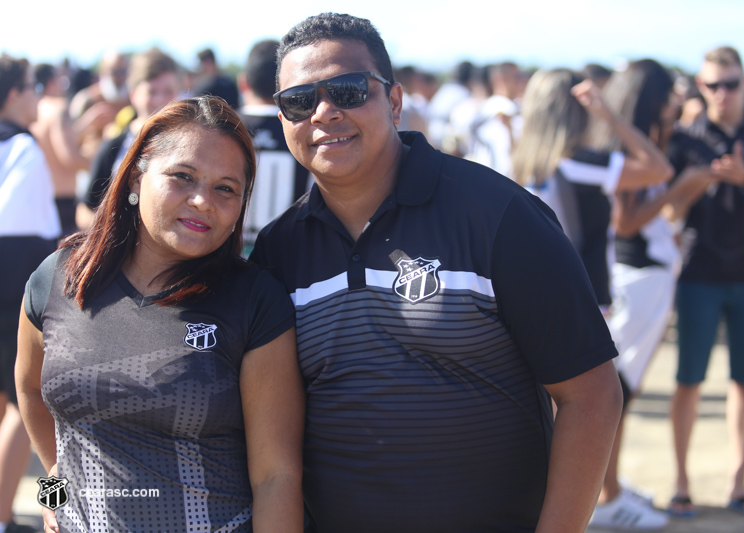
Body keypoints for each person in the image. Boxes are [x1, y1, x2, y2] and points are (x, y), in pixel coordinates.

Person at [250, 12, 622, 532]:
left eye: (349, 90)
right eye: (300, 100)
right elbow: (275, 454)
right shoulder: (279, 249)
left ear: (395, 101)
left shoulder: (499, 215)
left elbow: (591, 395)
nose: (324, 112)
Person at [16, 96, 304, 532]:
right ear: (136, 176)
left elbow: (276, 476)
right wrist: (52, 494)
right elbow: (33, 396)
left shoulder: (253, 300)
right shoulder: (58, 278)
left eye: (226, 188)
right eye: (183, 177)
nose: (203, 200)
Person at [588, 59, 715, 531]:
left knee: (622, 390)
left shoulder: (637, 140)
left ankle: (611, 488)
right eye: (670, 93)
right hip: (634, 278)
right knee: (617, 391)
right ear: (652, 98)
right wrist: (679, 188)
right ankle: (608, 495)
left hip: (644, 275)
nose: (677, 101)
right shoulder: (628, 143)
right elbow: (626, 222)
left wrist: (679, 198)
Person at [667, 46, 744, 520]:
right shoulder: (686, 138)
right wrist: (698, 180)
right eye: (713, 85)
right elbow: (672, 212)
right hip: (700, 274)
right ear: (701, 87)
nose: (723, 94)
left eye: (732, 83)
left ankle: (739, 483)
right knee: (688, 382)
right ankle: (681, 484)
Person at [512, 68, 673, 310]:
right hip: (583, 297)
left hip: (532, 294)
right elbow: (660, 170)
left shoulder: (519, 166)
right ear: (578, 111)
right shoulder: (578, 164)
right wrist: (611, 116)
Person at [0, 54, 61, 533]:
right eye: (31, 86)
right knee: (30, 408)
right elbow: (29, 238)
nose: (38, 95)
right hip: (12, 296)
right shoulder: (22, 147)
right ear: (15, 94)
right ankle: (9, 516)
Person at [77, 47, 181, 229]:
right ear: (134, 94)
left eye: (168, 91)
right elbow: (86, 211)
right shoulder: (114, 147)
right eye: (151, 92)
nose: (160, 100)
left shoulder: (190, 146)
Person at [237, 40, 310, 251]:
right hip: (286, 255)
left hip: (226, 258)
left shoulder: (221, 128)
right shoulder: (305, 132)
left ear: (243, 83)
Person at [30, 63, 91, 236]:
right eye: (61, 80)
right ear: (51, 83)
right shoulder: (58, 108)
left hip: (41, 200)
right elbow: (69, 157)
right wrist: (104, 165)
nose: (65, 84)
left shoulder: (33, 111)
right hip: (63, 205)